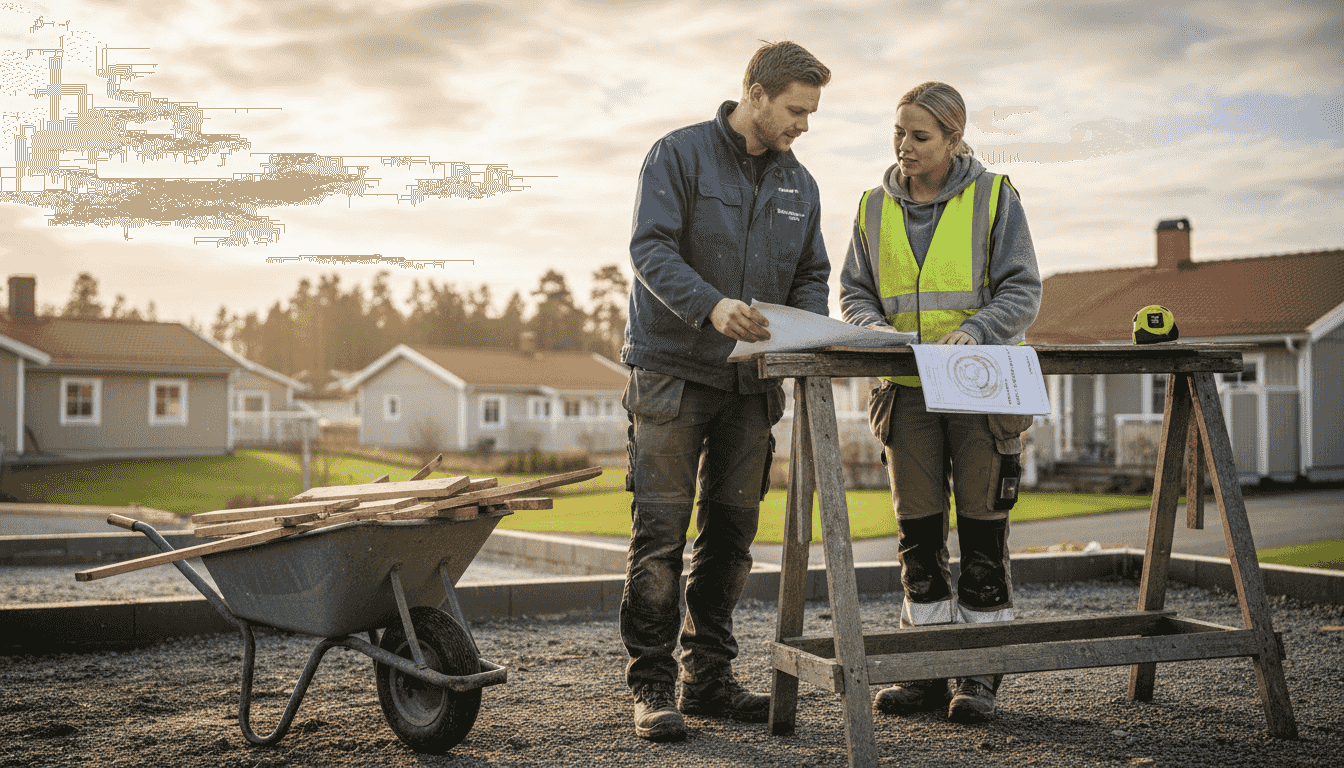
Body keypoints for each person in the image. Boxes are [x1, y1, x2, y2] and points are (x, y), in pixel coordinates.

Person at [620, 41, 832, 742]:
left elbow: (810, 275)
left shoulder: (802, 186)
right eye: (796, 110)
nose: (804, 125)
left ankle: (707, 679)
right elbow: (649, 249)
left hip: (751, 384)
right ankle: (651, 686)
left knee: (732, 536)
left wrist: (797, 327)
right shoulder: (676, 156)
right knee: (660, 534)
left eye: (810, 112)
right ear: (757, 93)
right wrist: (710, 306)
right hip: (673, 372)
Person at [839, 81, 1042, 724]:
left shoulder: (994, 198)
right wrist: (869, 329)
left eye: (919, 136)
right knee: (918, 542)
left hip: (981, 388)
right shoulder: (871, 207)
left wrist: (977, 331)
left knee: (984, 536)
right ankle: (924, 673)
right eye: (897, 132)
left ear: (954, 141)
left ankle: (978, 676)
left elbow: (1021, 290)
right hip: (905, 395)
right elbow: (854, 292)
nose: (904, 146)